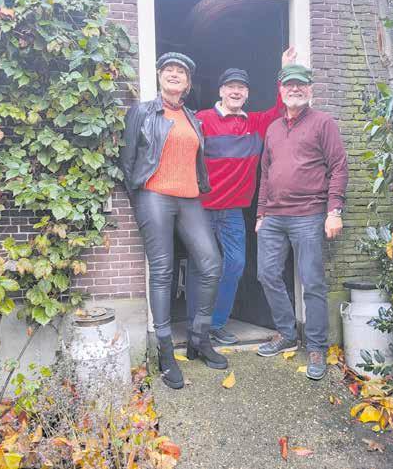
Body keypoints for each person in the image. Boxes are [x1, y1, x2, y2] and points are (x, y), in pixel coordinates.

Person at [120, 52, 228, 390]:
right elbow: (127, 160)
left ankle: (199, 338)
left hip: (189, 198)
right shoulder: (141, 112)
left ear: (188, 82)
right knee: (163, 270)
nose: (174, 74)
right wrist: (140, 199)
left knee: (211, 264)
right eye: (168, 69)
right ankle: (165, 351)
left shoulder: (192, 118)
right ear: (159, 76)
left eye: (181, 71)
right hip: (154, 195)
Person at [186, 48, 297, 346]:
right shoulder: (202, 120)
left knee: (234, 266)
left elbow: (280, 109)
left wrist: (285, 70)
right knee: (201, 268)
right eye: (231, 87)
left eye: (241, 88)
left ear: (247, 94)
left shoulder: (256, 124)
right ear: (221, 91)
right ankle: (196, 327)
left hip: (233, 211)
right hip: (201, 209)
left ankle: (216, 324)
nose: (236, 92)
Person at [255, 64, 348, 380]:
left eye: (301, 85)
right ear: (281, 91)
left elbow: (338, 167)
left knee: (312, 282)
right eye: (289, 85)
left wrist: (334, 211)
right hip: (273, 216)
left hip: (309, 215)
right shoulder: (273, 129)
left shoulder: (323, 123)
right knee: (267, 274)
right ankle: (286, 333)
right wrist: (261, 213)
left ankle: (317, 346)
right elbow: (265, 174)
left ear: (310, 89)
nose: (295, 89)